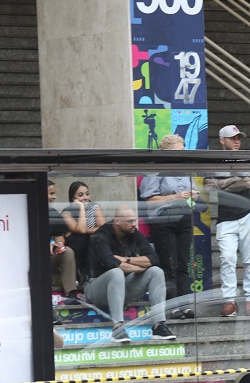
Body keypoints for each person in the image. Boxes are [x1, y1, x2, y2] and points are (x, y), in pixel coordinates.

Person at [84, 205, 176, 343]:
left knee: (156, 271)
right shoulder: (100, 236)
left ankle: (159, 325)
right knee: (116, 273)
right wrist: (137, 267)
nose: (134, 224)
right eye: (129, 221)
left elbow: (154, 259)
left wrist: (127, 260)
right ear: (117, 221)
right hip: (96, 289)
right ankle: (118, 328)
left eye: (135, 220)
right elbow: (111, 263)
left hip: (123, 287)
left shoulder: (133, 233)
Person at [139, 133, 198, 319]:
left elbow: (193, 190)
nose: (182, 153)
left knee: (184, 264)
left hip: (185, 217)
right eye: (179, 150)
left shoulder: (185, 168)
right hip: (164, 219)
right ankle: (171, 306)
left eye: (183, 149)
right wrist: (175, 197)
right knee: (169, 264)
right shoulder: (155, 170)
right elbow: (149, 200)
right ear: (167, 152)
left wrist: (193, 195)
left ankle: (185, 304)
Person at [210, 125, 250, 317]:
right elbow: (211, 187)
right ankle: (229, 300)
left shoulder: (246, 157)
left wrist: (224, 183)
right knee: (227, 259)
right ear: (222, 140)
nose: (237, 141)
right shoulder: (214, 161)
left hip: (249, 212)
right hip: (226, 218)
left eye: (239, 137)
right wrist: (235, 180)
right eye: (233, 138)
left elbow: (248, 182)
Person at [62, 180, 106, 282]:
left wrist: (86, 230)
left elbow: (103, 228)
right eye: (81, 195)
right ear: (73, 198)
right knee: (79, 240)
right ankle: (80, 274)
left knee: (97, 239)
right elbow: (81, 231)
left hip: (91, 238)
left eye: (87, 194)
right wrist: (81, 208)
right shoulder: (66, 212)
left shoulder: (94, 206)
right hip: (77, 243)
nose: (85, 198)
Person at [47, 180, 80, 303]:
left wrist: (58, 244)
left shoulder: (53, 213)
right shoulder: (26, 210)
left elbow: (60, 237)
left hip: (49, 257)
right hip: (32, 259)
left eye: (54, 193)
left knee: (68, 251)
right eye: (51, 194)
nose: (54, 197)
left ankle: (71, 293)